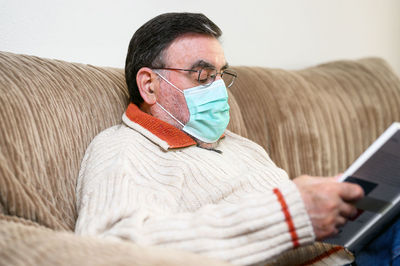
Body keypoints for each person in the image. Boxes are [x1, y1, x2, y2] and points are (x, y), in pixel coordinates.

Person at [75, 12, 365, 265]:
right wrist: (287, 214)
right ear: (149, 86)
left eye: (220, 75)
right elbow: (110, 251)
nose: (219, 91)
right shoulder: (124, 149)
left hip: (353, 250)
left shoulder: (238, 144)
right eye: (202, 76)